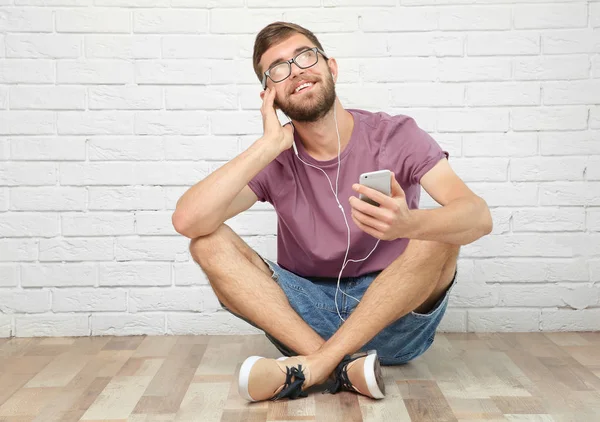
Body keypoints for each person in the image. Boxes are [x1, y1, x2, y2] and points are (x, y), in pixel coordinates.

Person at [172, 21, 493, 402]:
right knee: (206, 243)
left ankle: (318, 366)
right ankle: (341, 367)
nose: (296, 71)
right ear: (269, 94)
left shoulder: (395, 134)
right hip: (303, 320)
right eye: (278, 68)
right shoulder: (275, 159)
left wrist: (410, 223)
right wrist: (267, 145)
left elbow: (478, 216)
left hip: (393, 314)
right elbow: (188, 221)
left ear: (331, 67)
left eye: (305, 56)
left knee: (440, 233)